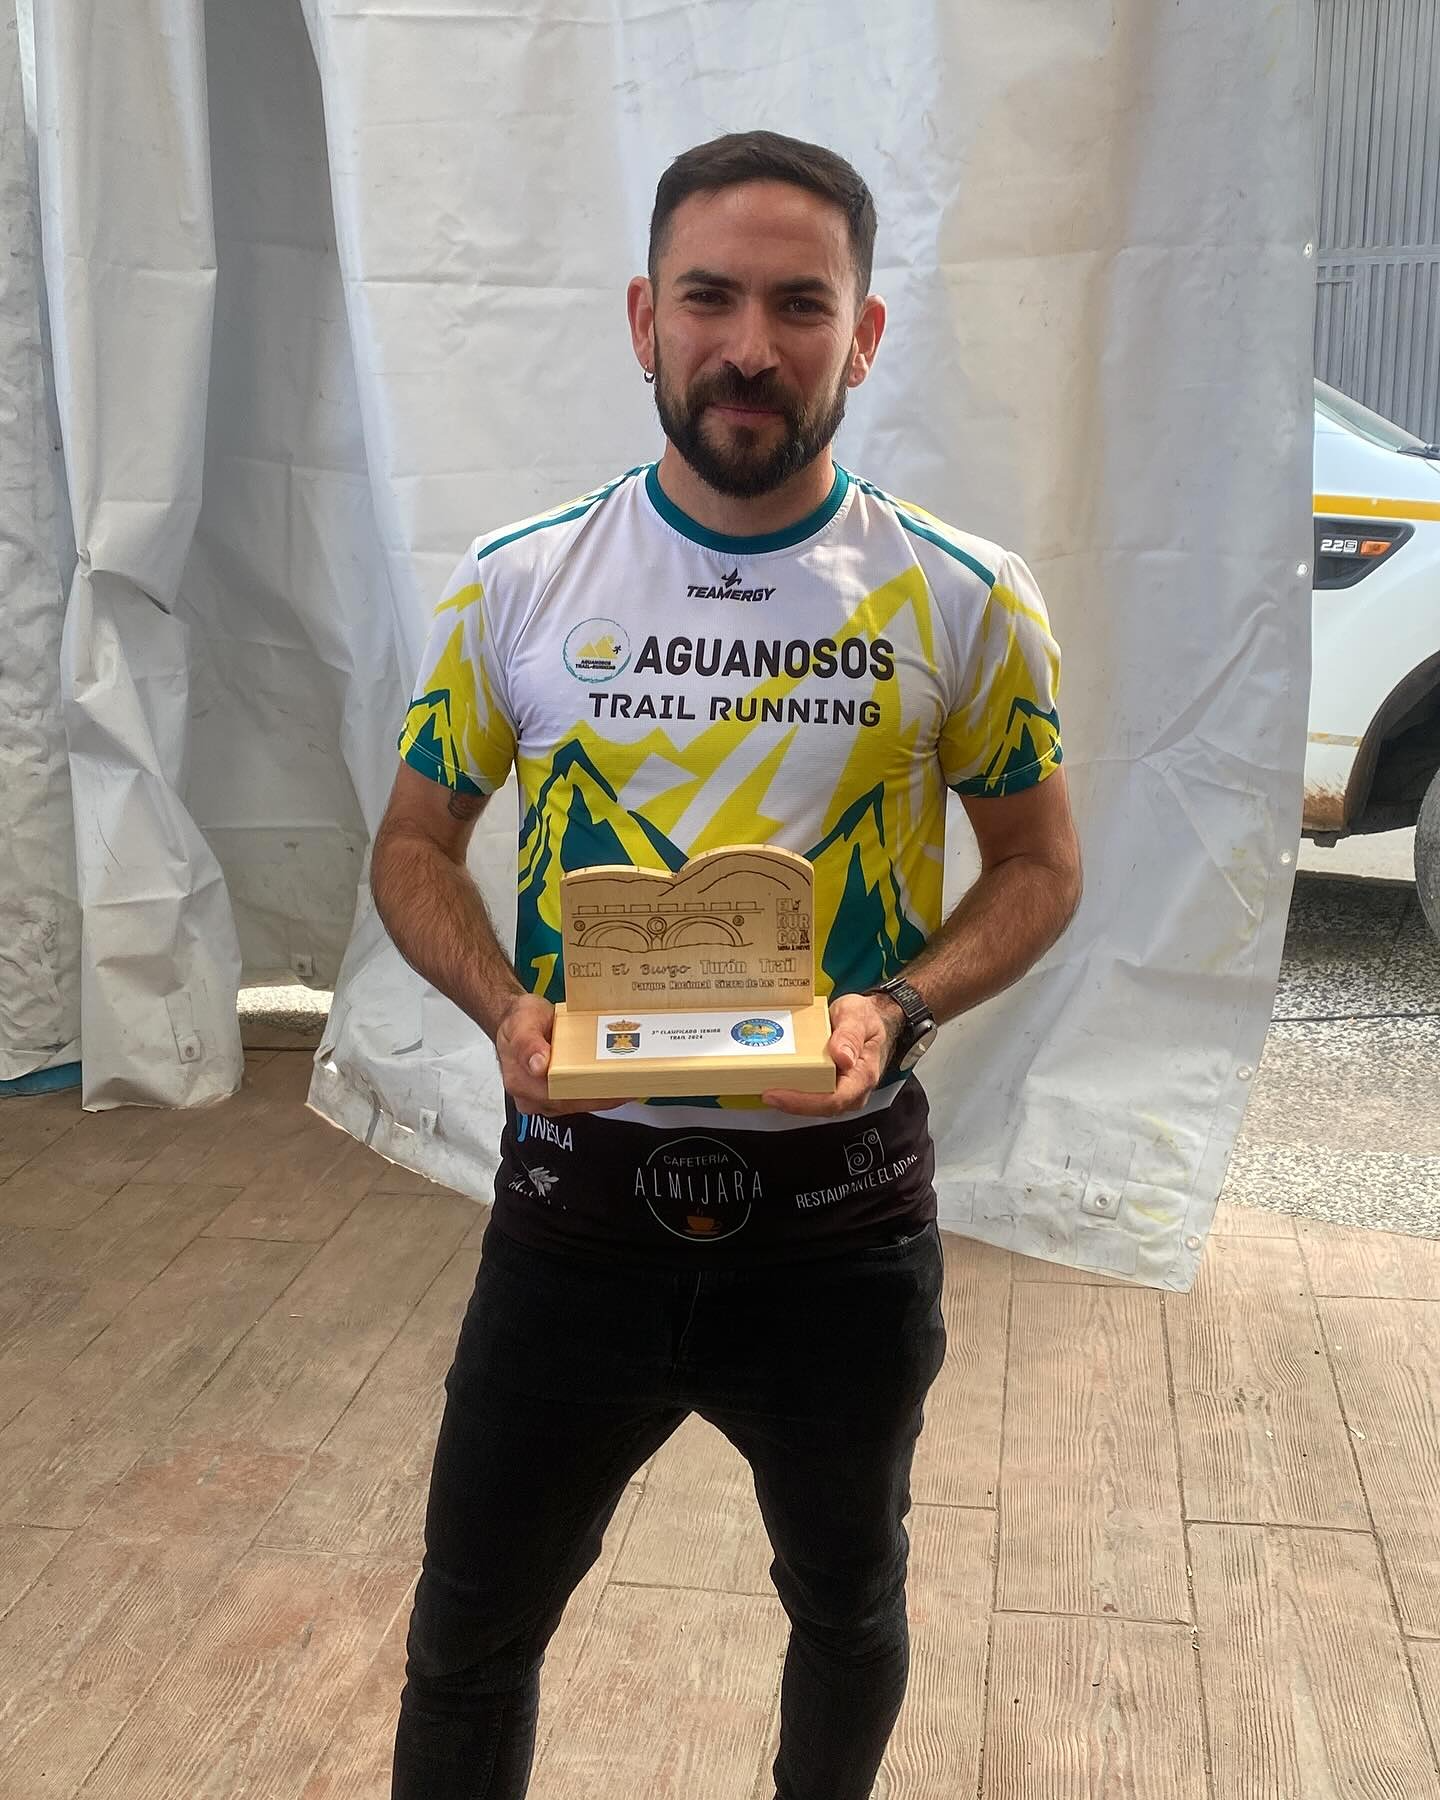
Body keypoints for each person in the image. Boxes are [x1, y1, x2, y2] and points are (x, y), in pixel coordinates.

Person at [373, 129, 1082, 1800]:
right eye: (708, 296)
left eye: (797, 303)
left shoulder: (966, 600)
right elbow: (413, 847)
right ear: (642, 317)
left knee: (847, 1608)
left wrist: (902, 1006)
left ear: (865, 333)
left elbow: (1042, 868)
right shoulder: (518, 584)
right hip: (574, 1221)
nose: (749, 345)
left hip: (839, 1235)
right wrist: (501, 1002)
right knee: (466, 1639)